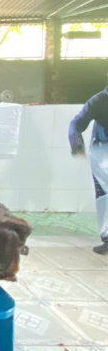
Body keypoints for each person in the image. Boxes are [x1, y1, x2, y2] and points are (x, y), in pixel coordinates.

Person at [69, 78, 108, 255]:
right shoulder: (99, 100)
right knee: (103, 197)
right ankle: (107, 239)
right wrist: (77, 145)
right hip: (102, 156)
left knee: (104, 197)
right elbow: (77, 123)